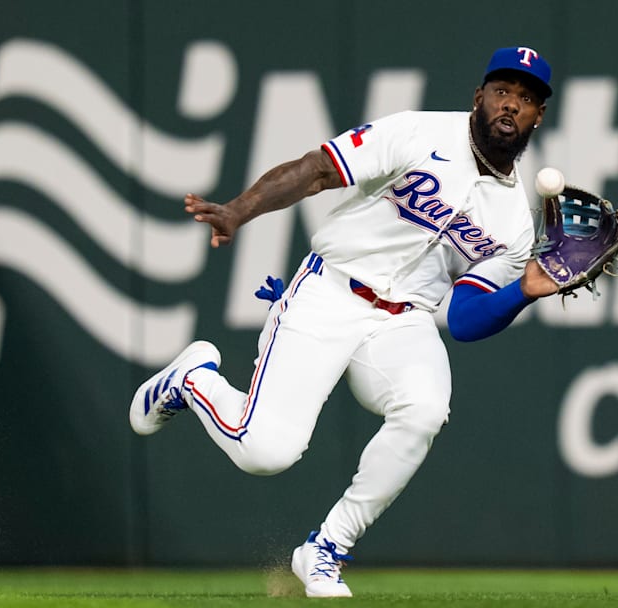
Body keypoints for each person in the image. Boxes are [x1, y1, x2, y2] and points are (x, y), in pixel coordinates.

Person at [128, 46, 559, 598]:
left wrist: (524, 290)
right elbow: (314, 171)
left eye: (526, 99)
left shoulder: (514, 222)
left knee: (424, 411)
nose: (511, 105)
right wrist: (240, 209)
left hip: (404, 322)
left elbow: (467, 318)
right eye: (503, 90)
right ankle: (192, 380)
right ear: (479, 97)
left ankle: (325, 549)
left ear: (537, 117)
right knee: (266, 454)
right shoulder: (417, 132)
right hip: (331, 291)